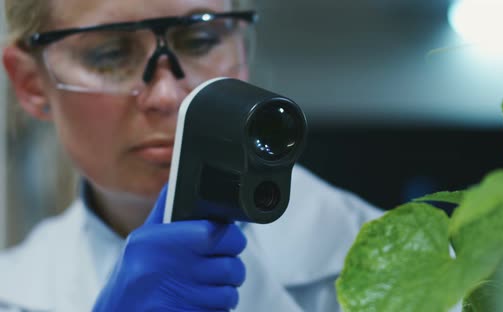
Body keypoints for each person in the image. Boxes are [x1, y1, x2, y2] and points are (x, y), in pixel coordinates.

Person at [0, 0, 381, 311]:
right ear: (30, 83)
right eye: (110, 54)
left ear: (242, 46)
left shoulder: (406, 264)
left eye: (199, 40)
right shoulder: (13, 291)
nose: (166, 96)